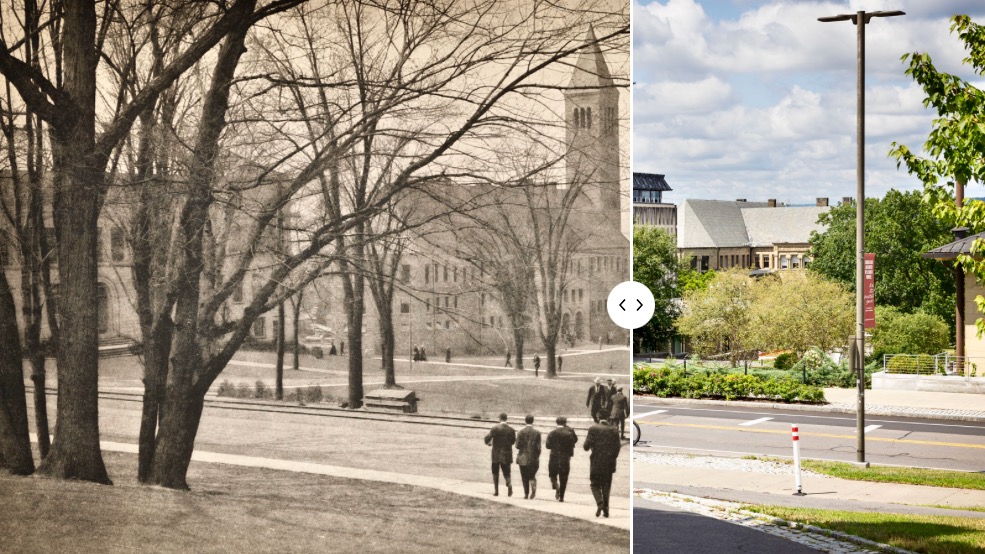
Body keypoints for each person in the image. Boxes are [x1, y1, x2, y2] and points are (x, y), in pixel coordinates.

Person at [584, 417, 621, 518]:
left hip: (596, 461)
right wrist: (612, 458)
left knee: (594, 484)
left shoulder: (593, 429)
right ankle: (606, 509)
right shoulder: (614, 430)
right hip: (609, 462)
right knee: (606, 486)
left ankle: (600, 503)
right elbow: (617, 447)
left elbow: (586, 447)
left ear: (599, 418)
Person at [545, 416, 578, 502]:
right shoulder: (569, 433)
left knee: (552, 475)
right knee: (564, 477)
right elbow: (574, 442)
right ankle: (562, 496)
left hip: (554, 456)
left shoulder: (552, 433)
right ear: (565, 422)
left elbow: (548, 446)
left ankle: (556, 486)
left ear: (556, 422)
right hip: (565, 457)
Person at [484, 413, 515, 497]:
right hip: (506, 454)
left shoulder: (495, 428)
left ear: (500, 419)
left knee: (495, 472)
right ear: (506, 419)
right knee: (507, 472)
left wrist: (489, 443)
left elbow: (487, 438)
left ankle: (496, 491)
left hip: (496, 454)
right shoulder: (511, 430)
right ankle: (509, 485)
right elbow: (513, 442)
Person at [515, 414, 542, 500]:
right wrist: (536, 456)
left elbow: (517, 446)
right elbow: (539, 448)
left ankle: (526, 494)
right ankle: (533, 490)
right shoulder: (537, 433)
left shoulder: (520, 432)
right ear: (533, 421)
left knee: (524, 476)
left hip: (523, 457)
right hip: (533, 458)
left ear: (525, 421)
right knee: (532, 475)